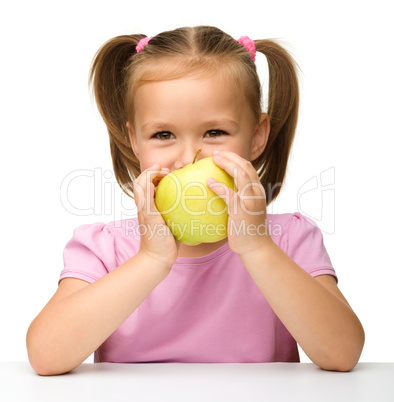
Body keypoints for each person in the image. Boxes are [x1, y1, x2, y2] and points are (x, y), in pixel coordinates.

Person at [26, 26, 364, 376]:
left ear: (257, 135)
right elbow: (46, 357)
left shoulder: (288, 239)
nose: (189, 158)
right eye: (163, 134)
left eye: (215, 132)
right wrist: (151, 259)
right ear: (135, 140)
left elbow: (342, 354)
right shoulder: (105, 248)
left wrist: (258, 248)